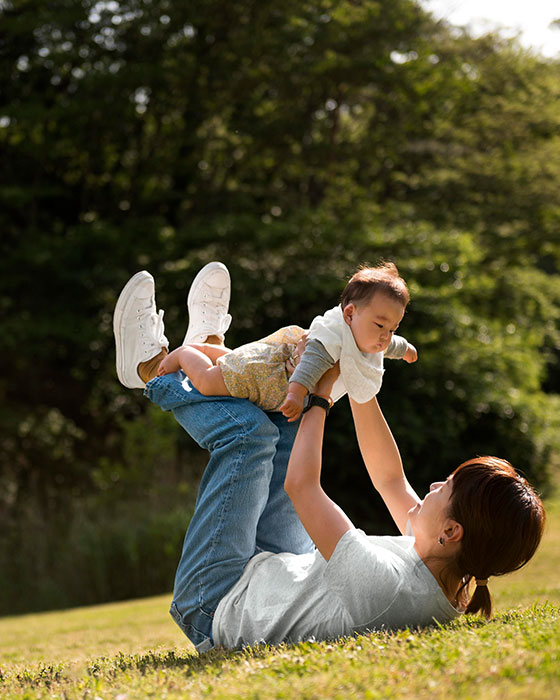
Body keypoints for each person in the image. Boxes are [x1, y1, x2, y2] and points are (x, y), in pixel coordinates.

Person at [113, 263, 546, 653]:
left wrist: (321, 396)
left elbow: (302, 487)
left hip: (220, 601)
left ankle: (150, 371)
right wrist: (359, 379)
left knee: (250, 436)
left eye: (444, 488)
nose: (432, 486)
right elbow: (390, 480)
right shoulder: (444, 565)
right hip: (276, 572)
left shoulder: (388, 591)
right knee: (286, 415)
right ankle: (207, 351)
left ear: (452, 529)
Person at [155, 262, 418, 422]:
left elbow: (390, 346)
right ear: (350, 313)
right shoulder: (331, 340)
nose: (386, 336)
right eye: (381, 325)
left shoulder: (370, 337)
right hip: (269, 377)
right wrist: (296, 394)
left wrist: (404, 349)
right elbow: (310, 367)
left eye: (393, 329)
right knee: (209, 382)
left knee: (233, 359)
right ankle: (184, 353)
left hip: (274, 374)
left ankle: (204, 347)